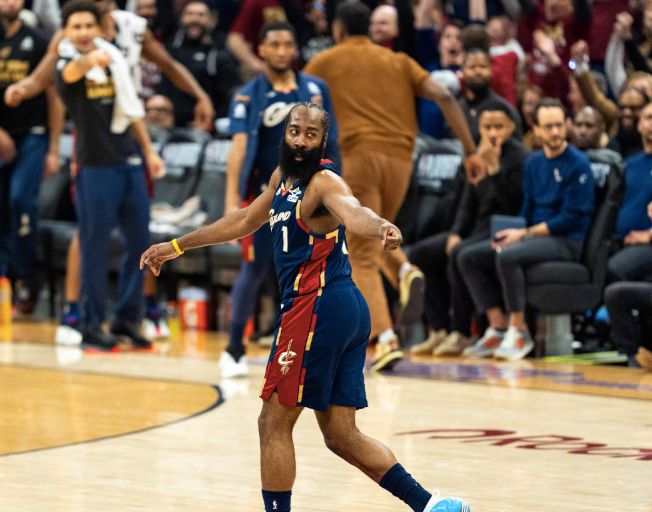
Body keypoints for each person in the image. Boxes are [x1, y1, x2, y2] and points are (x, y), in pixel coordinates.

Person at [140, 102, 471, 512]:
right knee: (341, 435)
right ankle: (431, 504)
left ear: (323, 140)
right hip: (340, 309)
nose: (300, 141)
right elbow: (244, 221)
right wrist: (177, 245)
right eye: (295, 131)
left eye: (310, 134)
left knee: (272, 422)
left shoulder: (324, 183)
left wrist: (381, 227)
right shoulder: (281, 179)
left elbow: (354, 212)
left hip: (317, 307)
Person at [303, 2, 482, 371]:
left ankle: (385, 339)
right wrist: (470, 151)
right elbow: (445, 96)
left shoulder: (323, 62)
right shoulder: (399, 61)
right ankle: (403, 271)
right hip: (402, 161)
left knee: (359, 251)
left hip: (357, 158)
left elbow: (298, 109)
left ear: (337, 29)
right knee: (375, 233)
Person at [220, 21, 340, 378]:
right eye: (274, 44)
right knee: (255, 267)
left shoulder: (315, 89)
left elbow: (333, 143)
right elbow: (239, 147)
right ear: (261, 50)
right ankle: (234, 348)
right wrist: (231, 199)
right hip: (266, 193)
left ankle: (304, 348)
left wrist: (337, 187)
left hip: (311, 193)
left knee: (309, 270)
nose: (282, 51)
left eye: (288, 44)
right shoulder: (248, 95)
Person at [55, 0, 164, 350]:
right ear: (66, 32)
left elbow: (133, 111)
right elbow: (72, 73)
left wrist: (149, 151)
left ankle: (127, 319)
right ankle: (91, 326)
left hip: (129, 160)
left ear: (99, 28)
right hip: (94, 166)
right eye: (76, 27)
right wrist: (90, 60)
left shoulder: (115, 59)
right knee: (95, 247)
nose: (84, 32)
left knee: (140, 242)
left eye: (89, 26)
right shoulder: (65, 64)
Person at [459, 98, 594, 361]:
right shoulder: (533, 163)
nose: (555, 132)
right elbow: (527, 208)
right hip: (532, 235)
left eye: (559, 125)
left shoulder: (579, 164)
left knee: (508, 256)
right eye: (549, 127)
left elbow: (569, 219)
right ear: (537, 130)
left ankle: (519, 330)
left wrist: (523, 234)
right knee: (469, 257)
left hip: (566, 241)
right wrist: (514, 232)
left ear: (566, 125)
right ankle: (498, 326)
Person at [409, 101, 526, 356]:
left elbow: (513, 205)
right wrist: (455, 232)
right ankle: (438, 328)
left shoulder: (519, 158)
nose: (493, 133)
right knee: (420, 254)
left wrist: (494, 171)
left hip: (503, 227)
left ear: (511, 128)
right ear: (479, 128)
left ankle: (461, 331)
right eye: (487, 127)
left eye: (499, 127)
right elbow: (466, 202)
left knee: (460, 253)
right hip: (475, 228)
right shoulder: (474, 155)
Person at [4, 0, 215, 131]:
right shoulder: (73, 31)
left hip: (131, 122)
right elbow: (40, 78)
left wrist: (201, 96)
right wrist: (21, 88)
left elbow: (170, 66)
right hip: (91, 126)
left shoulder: (132, 27)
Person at [0, 0, 63, 313]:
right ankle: (5, 280)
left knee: (21, 200)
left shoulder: (37, 41)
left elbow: (54, 97)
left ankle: (27, 277)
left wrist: (54, 149)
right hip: (2, 135)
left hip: (33, 135)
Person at [158, 0, 241, 124]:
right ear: (181, 18)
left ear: (212, 20)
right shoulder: (170, 51)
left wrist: (213, 123)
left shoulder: (220, 55)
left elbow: (229, 96)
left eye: (201, 15)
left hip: (208, 125)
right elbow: (163, 89)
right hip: (171, 124)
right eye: (190, 14)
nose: (195, 19)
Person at [606, 102, 652, 284]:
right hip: (619, 239)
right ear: (639, 124)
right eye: (649, 118)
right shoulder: (629, 163)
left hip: (646, 243)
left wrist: (648, 235)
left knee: (613, 269)